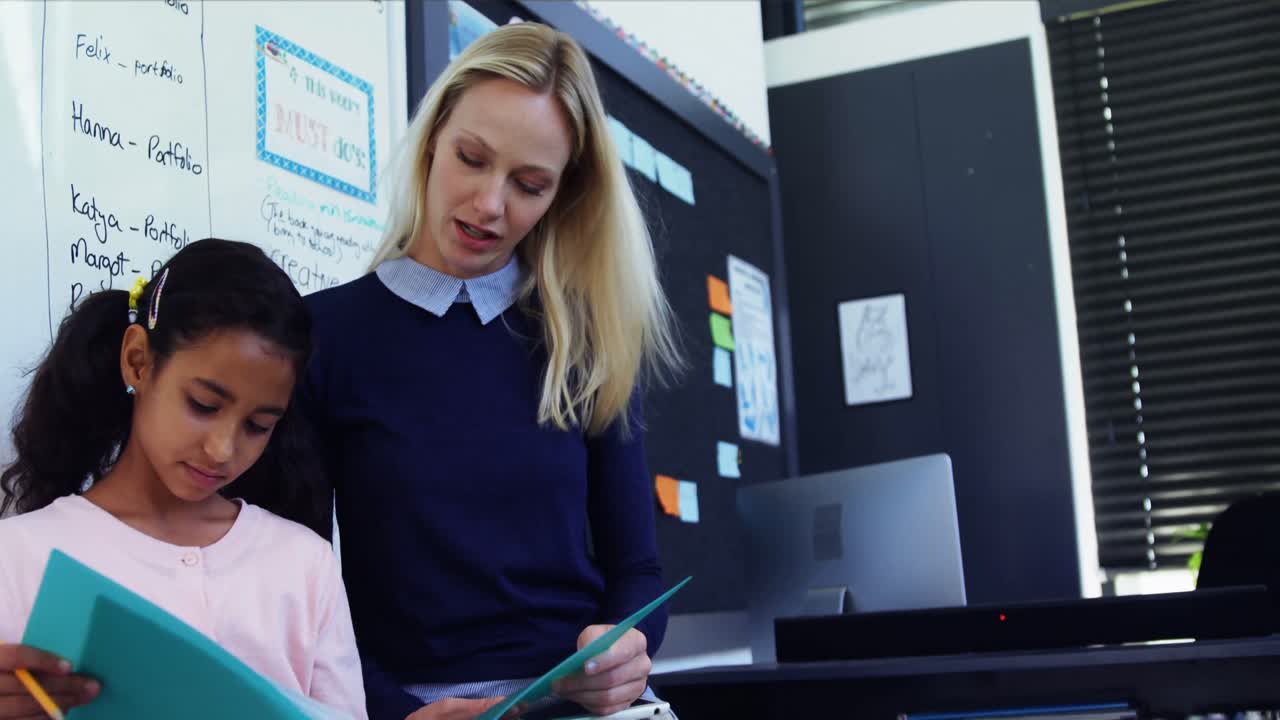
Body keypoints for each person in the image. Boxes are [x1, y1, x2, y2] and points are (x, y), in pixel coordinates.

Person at [301, 21, 683, 720]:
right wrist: (394, 710)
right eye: (471, 158)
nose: (489, 205)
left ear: (563, 195)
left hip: (578, 705)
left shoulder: (585, 342)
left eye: (530, 184)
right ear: (433, 137)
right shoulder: (323, 337)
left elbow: (636, 573)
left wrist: (625, 647)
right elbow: (290, 588)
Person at [0, 239, 367, 720]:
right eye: (203, 406)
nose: (222, 449)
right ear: (138, 361)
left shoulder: (305, 565)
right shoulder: (22, 556)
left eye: (258, 426)